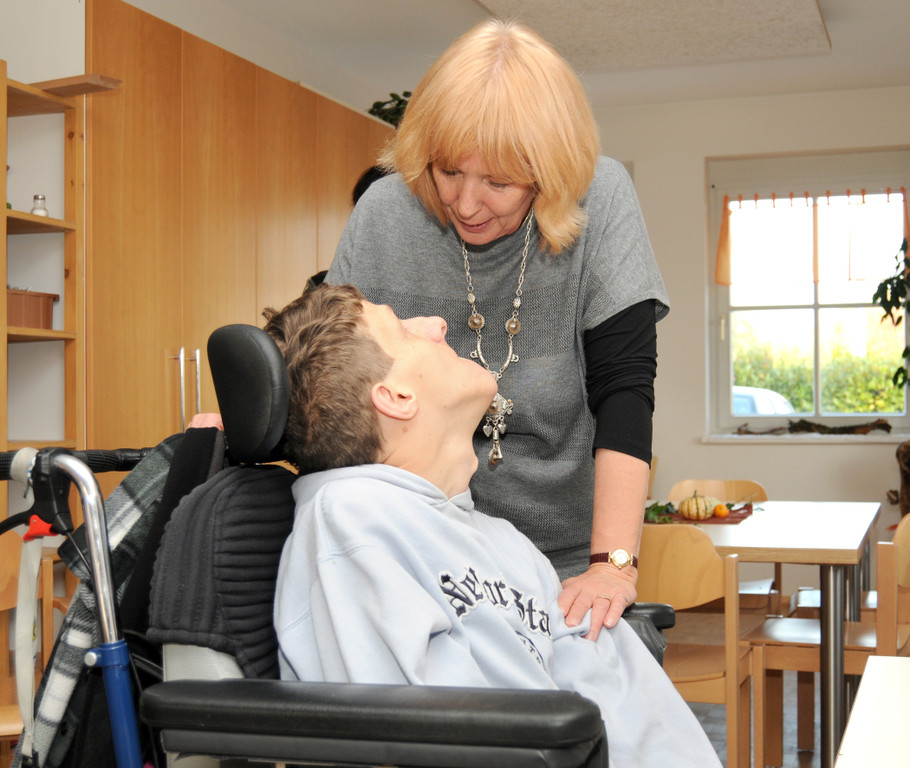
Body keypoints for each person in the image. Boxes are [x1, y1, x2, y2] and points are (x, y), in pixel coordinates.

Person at [270, 284, 719, 768]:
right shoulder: (350, 519)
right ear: (396, 397)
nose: (437, 325)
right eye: (403, 329)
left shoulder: (500, 539)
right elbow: (410, 733)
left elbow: (597, 687)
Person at [326, 18, 668, 640]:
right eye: (448, 171)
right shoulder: (383, 213)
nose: (465, 203)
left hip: (565, 563)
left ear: (551, 173)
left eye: (499, 182)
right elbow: (330, 374)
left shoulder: (602, 198)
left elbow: (625, 389)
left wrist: (612, 566)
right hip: (416, 553)